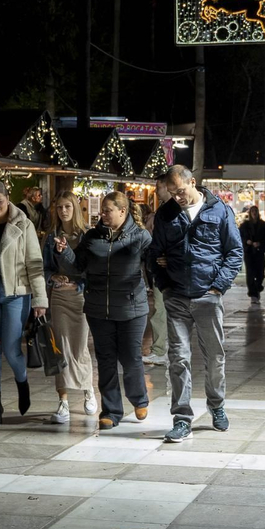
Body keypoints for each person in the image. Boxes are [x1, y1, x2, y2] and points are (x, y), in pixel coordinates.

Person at [147, 165, 243, 443]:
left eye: (181, 191)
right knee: (178, 359)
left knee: (215, 357)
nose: (177, 197)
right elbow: (154, 254)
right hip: (176, 296)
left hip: (208, 297)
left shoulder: (219, 210)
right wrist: (164, 285)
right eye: (172, 193)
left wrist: (217, 287)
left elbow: (234, 251)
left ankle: (217, 406)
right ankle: (181, 418)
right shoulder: (166, 214)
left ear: (193, 182)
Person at [57, 191, 154, 429]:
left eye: (108, 210)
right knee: (106, 360)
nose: (103, 214)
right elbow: (77, 267)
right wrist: (65, 252)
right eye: (102, 210)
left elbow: (153, 266)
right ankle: (110, 410)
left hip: (132, 308)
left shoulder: (140, 236)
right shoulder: (92, 237)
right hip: (99, 309)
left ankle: (139, 399)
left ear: (123, 211)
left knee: (131, 358)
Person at [0, 180, 48, 427]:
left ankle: (22, 380)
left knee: (11, 348)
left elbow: (34, 262)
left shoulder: (23, 224)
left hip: (16, 291)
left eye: (0, 202)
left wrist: (40, 299)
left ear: (8, 200)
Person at [40, 190, 97, 422]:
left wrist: (78, 281)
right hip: (60, 298)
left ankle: (88, 390)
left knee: (80, 346)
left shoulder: (86, 236)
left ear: (75, 208)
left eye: (68, 207)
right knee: (60, 348)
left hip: (80, 297)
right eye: (60, 207)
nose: (63, 211)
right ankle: (62, 401)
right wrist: (53, 277)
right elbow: (43, 268)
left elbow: (90, 269)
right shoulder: (51, 236)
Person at [140, 177, 173, 365]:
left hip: (165, 268)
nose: (156, 191)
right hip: (161, 267)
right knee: (163, 308)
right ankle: (162, 348)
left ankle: (161, 349)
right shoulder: (163, 212)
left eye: (159, 188)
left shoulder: (166, 213)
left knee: (161, 309)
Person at [239, 205, 265, 305]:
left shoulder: (263, 225)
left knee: (260, 273)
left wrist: (261, 243)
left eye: (256, 211)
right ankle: (253, 294)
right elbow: (239, 236)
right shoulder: (245, 225)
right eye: (252, 211)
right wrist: (246, 241)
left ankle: (258, 287)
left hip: (259, 251)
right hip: (249, 252)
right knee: (250, 273)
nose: (254, 213)